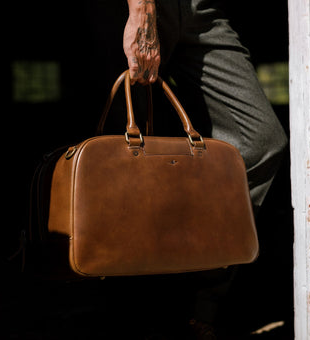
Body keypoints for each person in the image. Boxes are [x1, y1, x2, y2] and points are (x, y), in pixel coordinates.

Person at [117, 0, 288, 338]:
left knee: (260, 140)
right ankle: (116, 302)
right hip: (136, 7)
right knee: (115, 153)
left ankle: (200, 306)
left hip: (203, 9)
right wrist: (141, 10)